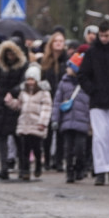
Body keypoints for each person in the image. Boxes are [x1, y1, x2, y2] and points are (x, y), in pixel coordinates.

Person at [78, 20, 109, 186]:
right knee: (100, 137)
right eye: (102, 35)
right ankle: (100, 170)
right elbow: (83, 75)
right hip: (98, 101)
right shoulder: (92, 53)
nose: (104, 38)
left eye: (107, 35)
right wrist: (92, 90)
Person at [0, 40, 29, 180]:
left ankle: (23, 168)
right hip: (1, 103)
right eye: (8, 53)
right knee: (2, 137)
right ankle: (4, 167)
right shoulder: (0, 66)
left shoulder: (23, 65)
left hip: (16, 103)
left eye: (12, 53)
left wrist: (14, 92)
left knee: (19, 138)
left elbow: (25, 82)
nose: (10, 56)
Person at [8, 64, 52, 180]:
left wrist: (42, 122)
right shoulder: (23, 92)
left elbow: (46, 108)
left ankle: (38, 164)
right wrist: (10, 102)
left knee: (36, 147)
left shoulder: (44, 93)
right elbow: (18, 105)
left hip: (37, 125)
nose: (30, 82)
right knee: (24, 148)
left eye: (32, 79)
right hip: (25, 124)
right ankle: (25, 170)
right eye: (28, 79)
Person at [52, 53, 91, 183]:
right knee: (68, 149)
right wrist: (55, 119)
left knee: (80, 148)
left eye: (70, 66)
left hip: (82, 122)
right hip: (67, 122)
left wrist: (90, 121)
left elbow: (90, 104)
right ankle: (69, 171)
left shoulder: (86, 84)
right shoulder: (63, 83)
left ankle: (79, 168)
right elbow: (57, 102)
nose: (66, 69)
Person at [39, 28, 69, 170]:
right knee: (48, 132)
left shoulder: (67, 61)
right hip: (48, 99)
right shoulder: (45, 61)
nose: (58, 44)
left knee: (62, 132)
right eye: (56, 41)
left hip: (63, 100)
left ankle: (58, 160)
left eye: (61, 41)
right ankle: (46, 160)